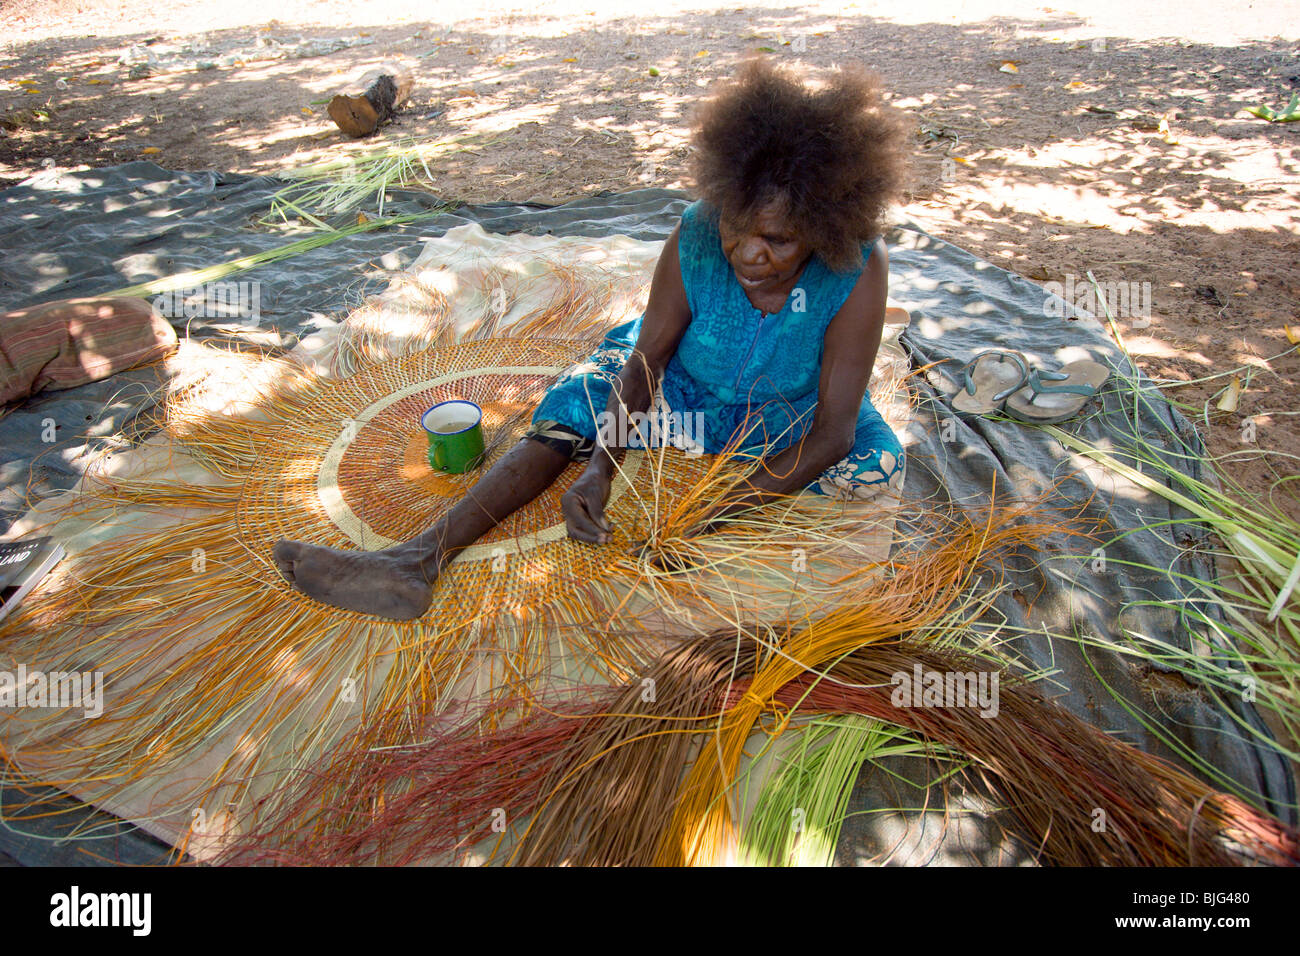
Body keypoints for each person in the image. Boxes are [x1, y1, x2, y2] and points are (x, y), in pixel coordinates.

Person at [273, 57, 911, 620]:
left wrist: (706, 519)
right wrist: (603, 470)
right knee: (580, 401)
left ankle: (717, 475)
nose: (749, 252)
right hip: (683, 393)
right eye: (739, 227)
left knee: (872, 466)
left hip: (784, 413)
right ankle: (417, 558)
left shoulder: (856, 266)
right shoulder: (695, 233)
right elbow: (649, 360)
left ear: (824, 231)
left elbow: (832, 432)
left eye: (779, 240)